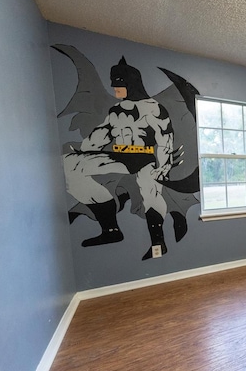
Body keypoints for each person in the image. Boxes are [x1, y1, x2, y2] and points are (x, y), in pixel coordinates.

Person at [63, 57, 173, 260]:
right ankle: (110, 230)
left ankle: (158, 242)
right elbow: (102, 134)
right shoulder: (115, 110)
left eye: (119, 83)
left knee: (151, 191)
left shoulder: (153, 108)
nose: (114, 88)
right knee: (69, 165)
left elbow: (165, 138)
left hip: (144, 157)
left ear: (130, 83)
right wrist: (83, 149)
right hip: (120, 154)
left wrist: (164, 166)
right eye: (114, 83)